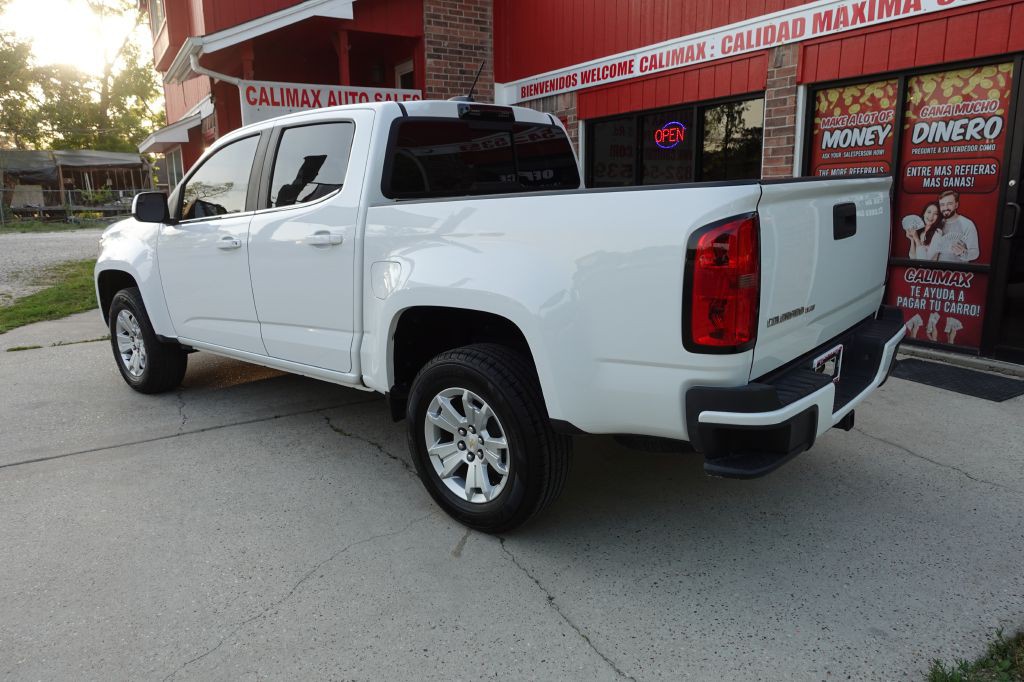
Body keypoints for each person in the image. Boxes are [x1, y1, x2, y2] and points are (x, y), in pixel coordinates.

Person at [933, 190, 979, 262]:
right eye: (942, 205)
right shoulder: (937, 224)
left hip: (959, 271)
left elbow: (975, 253)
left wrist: (963, 252)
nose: (945, 208)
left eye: (949, 204)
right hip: (938, 270)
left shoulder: (967, 224)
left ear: (956, 205)